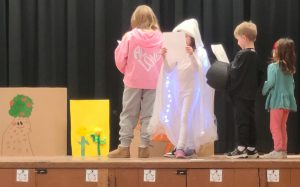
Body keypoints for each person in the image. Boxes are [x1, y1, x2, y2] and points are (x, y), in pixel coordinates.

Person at [148, 19, 217, 159]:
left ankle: (180, 147)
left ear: (192, 38)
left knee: (185, 116)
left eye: (186, 36)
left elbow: (201, 70)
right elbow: (168, 69)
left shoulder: (199, 53)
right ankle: (187, 145)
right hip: (177, 91)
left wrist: (192, 55)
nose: (184, 39)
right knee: (180, 118)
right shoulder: (177, 52)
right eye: (182, 36)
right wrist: (164, 57)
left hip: (191, 91)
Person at [108, 5, 163, 158]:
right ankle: (144, 147)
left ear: (135, 19)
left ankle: (124, 147)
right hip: (153, 81)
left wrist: (127, 70)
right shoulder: (160, 37)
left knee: (128, 114)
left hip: (133, 80)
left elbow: (119, 59)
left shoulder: (130, 36)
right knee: (149, 115)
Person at [225, 21, 262, 159]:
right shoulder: (255, 55)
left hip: (241, 95)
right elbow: (259, 76)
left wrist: (227, 66)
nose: (237, 42)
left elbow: (234, 72)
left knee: (241, 121)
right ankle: (251, 149)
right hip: (251, 94)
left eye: (238, 38)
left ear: (245, 37)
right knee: (250, 120)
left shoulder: (242, 55)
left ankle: (241, 148)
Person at [261, 38, 297, 159]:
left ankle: (278, 149)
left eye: (274, 49)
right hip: (287, 103)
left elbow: (270, 82)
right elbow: (292, 85)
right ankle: (283, 150)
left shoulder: (273, 67)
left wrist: (263, 90)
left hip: (276, 102)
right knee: (282, 127)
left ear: (278, 52)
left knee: (274, 126)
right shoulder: (290, 68)